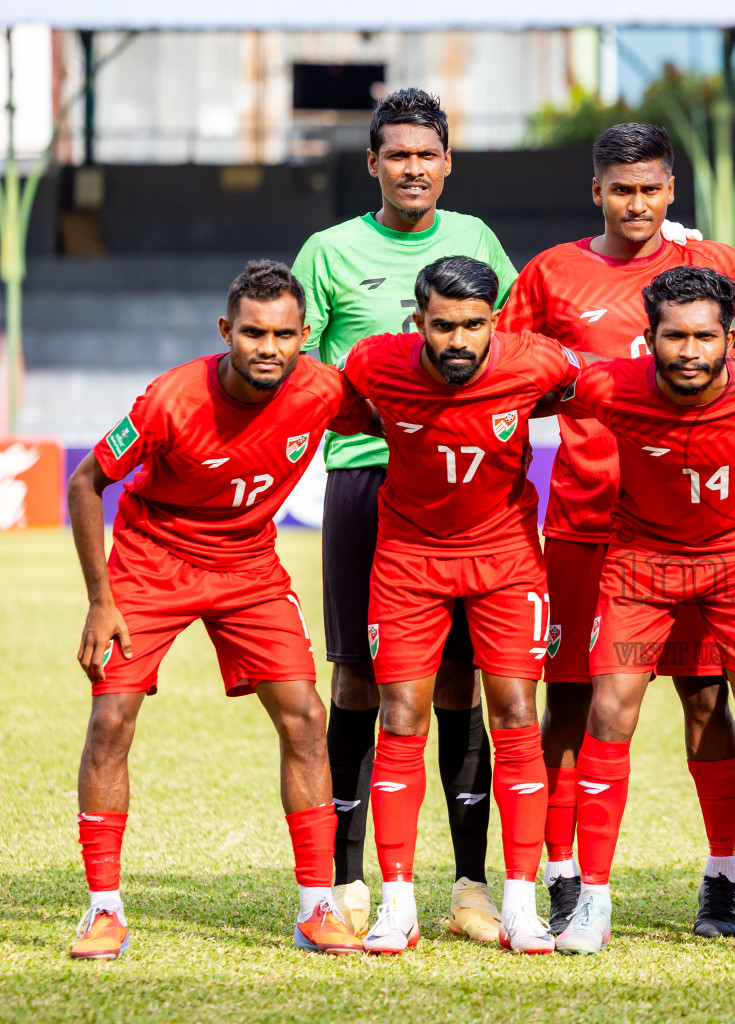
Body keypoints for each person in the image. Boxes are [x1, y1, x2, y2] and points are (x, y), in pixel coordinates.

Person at [496, 122, 735, 937]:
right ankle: (564, 873)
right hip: (585, 524)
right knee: (574, 702)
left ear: (671, 189)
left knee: (706, 697)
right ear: (597, 192)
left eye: (650, 188)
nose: (637, 203)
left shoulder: (716, 267)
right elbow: (505, 375)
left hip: (694, 533)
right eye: (621, 189)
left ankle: (721, 877)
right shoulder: (552, 274)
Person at [66, 261, 376, 959]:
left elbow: (395, 417)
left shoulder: (322, 390)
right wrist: (100, 600)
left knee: (305, 715)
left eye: (284, 335)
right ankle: (103, 909)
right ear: (225, 331)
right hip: (153, 560)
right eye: (253, 333)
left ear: (304, 336)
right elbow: (86, 484)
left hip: (249, 565)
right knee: (111, 718)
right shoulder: (169, 400)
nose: (269, 348)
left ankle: (316, 907)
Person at [292, 87, 519, 941]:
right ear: (373, 163)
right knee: (360, 678)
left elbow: (514, 349)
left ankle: (470, 886)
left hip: (468, 488)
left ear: (448, 162)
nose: (413, 167)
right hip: (367, 479)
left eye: (427, 154)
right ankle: (350, 881)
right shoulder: (329, 251)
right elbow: (300, 369)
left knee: (462, 681)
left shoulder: (478, 241)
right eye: (398, 154)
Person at [552, 266, 735, 956]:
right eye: (674, 337)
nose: (689, 352)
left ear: (731, 337)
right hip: (642, 563)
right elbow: (523, 383)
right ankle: (593, 901)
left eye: (704, 337)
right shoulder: (610, 385)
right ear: (649, 337)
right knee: (609, 710)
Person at [338, 256, 580, 955]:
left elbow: (596, 384)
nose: (459, 340)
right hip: (408, 560)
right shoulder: (375, 361)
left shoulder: (536, 360)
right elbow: (334, 399)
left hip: (507, 561)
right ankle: (398, 906)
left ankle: (522, 904)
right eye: (443, 325)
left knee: (516, 713)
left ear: (495, 320)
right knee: (401, 716)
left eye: (474, 325)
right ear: (418, 321)